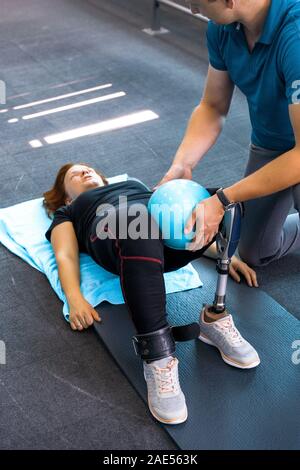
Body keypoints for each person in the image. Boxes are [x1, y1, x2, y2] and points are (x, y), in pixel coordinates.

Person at [43, 163, 259, 425]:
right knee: (136, 218)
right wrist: (74, 296)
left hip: (167, 242)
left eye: (87, 168)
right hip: (120, 237)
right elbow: (64, 254)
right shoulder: (69, 210)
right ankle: (158, 357)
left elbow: (181, 216)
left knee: (227, 200)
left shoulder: (133, 184)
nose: (84, 172)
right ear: (66, 195)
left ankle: (215, 316)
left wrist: (225, 249)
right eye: (74, 174)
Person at [156, 0, 300, 267]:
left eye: (196, 3)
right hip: (272, 141)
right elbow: (212, 106)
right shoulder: (222, 29)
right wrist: (182, 164)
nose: (193, 11)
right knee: (255, 251)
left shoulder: (295, 33)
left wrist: (224, 199)